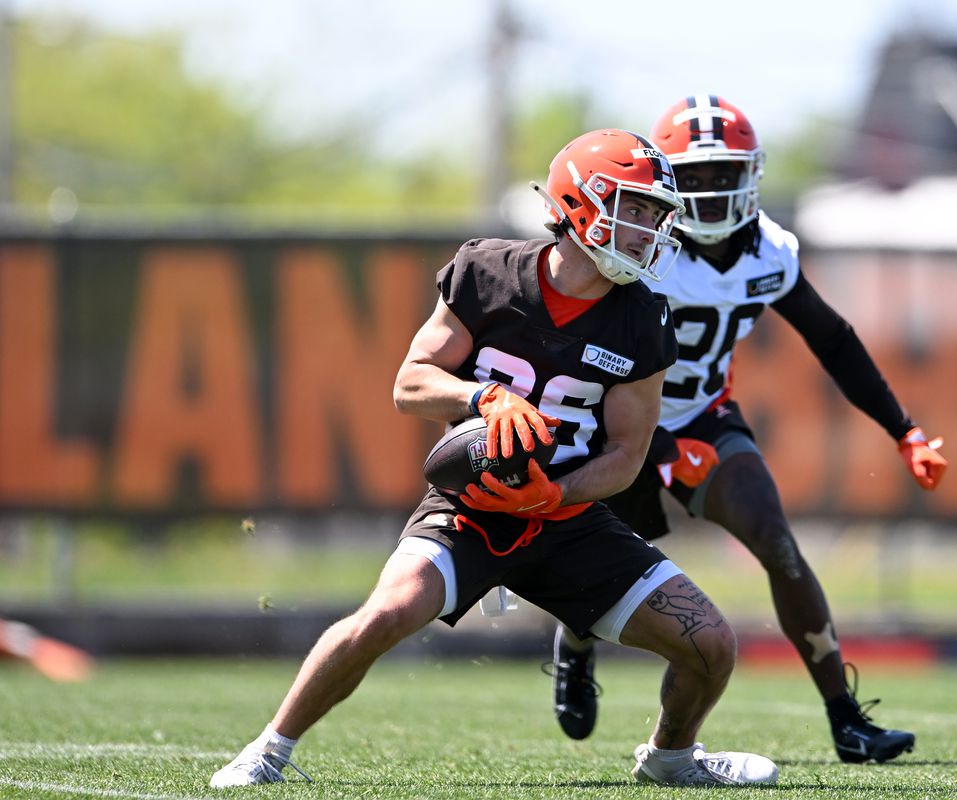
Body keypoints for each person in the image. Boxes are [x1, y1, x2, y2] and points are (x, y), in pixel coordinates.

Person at [209, 128, 778, 789]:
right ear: (583, 204)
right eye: (639, 208)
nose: (651, 228)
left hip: (568, 516)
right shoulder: (486, 273)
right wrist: (485, 398)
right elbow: (410, 384)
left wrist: (554, 496)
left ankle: (672, 758)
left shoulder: (642, 317)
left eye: (656, 214)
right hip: (471, 508)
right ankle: (269, 748)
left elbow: (626, 454)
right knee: (385, 615)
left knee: (711, 645)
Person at [546, 97, 949, 765]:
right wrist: (658, 445)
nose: (708, 190)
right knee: (598, 566)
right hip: (616, 423)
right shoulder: (642, 241)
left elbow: (834, 340)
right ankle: (577, 644)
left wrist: (902, 430)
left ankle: (845, 717)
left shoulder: (769, 251)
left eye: (722, 173)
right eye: (693, 176)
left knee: (778, 542)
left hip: (705, 413)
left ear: (752, 175)